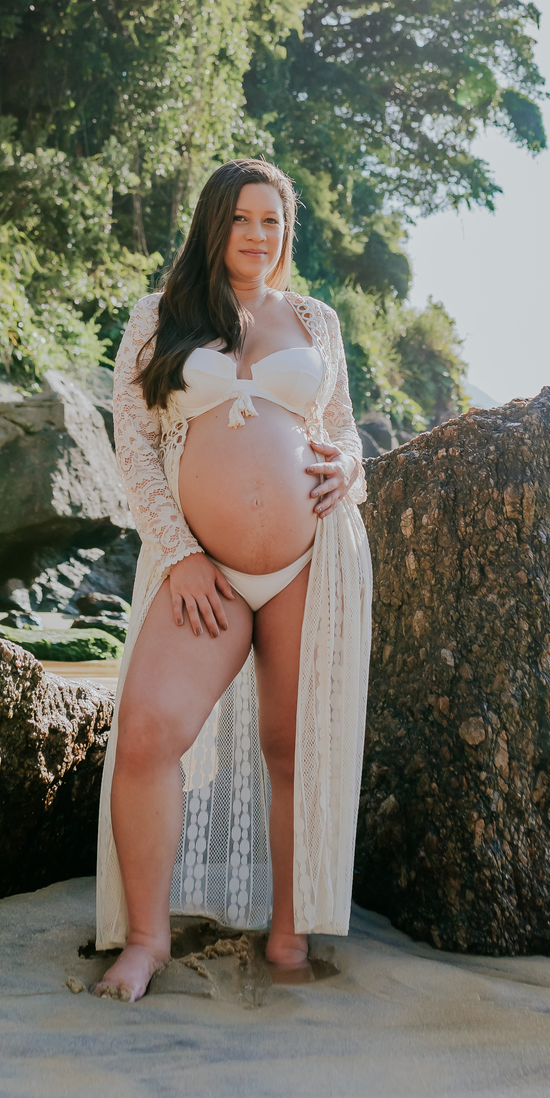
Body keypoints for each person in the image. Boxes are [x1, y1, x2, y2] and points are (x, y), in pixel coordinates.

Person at [93, 158, 373, 1001]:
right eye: (244, 218)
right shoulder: (161, 315)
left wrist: (348, 470)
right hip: (201, 571)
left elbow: (346, 435)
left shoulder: (316, 321)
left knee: (292, 749)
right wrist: (177, 552)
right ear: (215, 225)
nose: (259, 235)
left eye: (273, 222)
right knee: (148, 735)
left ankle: (289, 935)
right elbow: (135, 440)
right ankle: (145, 941)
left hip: (308, 564)